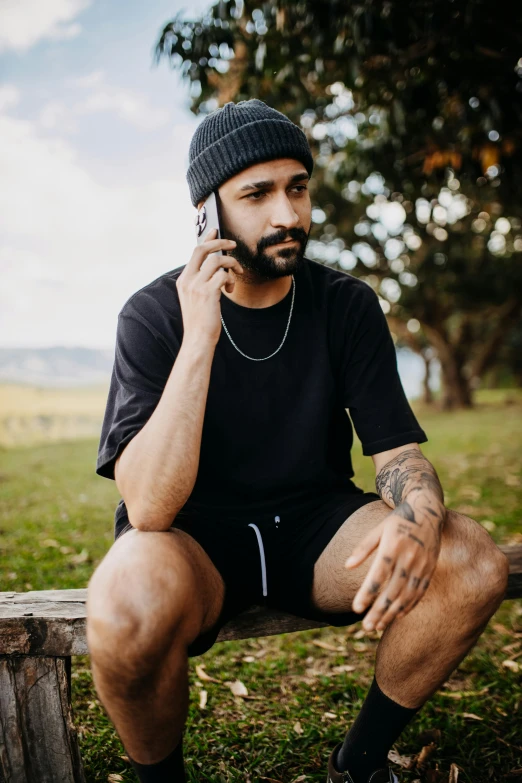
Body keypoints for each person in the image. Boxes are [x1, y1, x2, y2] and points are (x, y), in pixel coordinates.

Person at [87, 99, 509, 783]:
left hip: (318, 527)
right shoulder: (152, 315)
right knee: (124, 601)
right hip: (192, 540)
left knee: (472, 561)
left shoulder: (344, 303)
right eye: (257, 193)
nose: (288, 213)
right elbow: (150, 509)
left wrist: (422, 519)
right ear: (207, 213)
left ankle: (360, 762)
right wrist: (200, 338)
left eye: (299, 187)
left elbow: (398, 456)